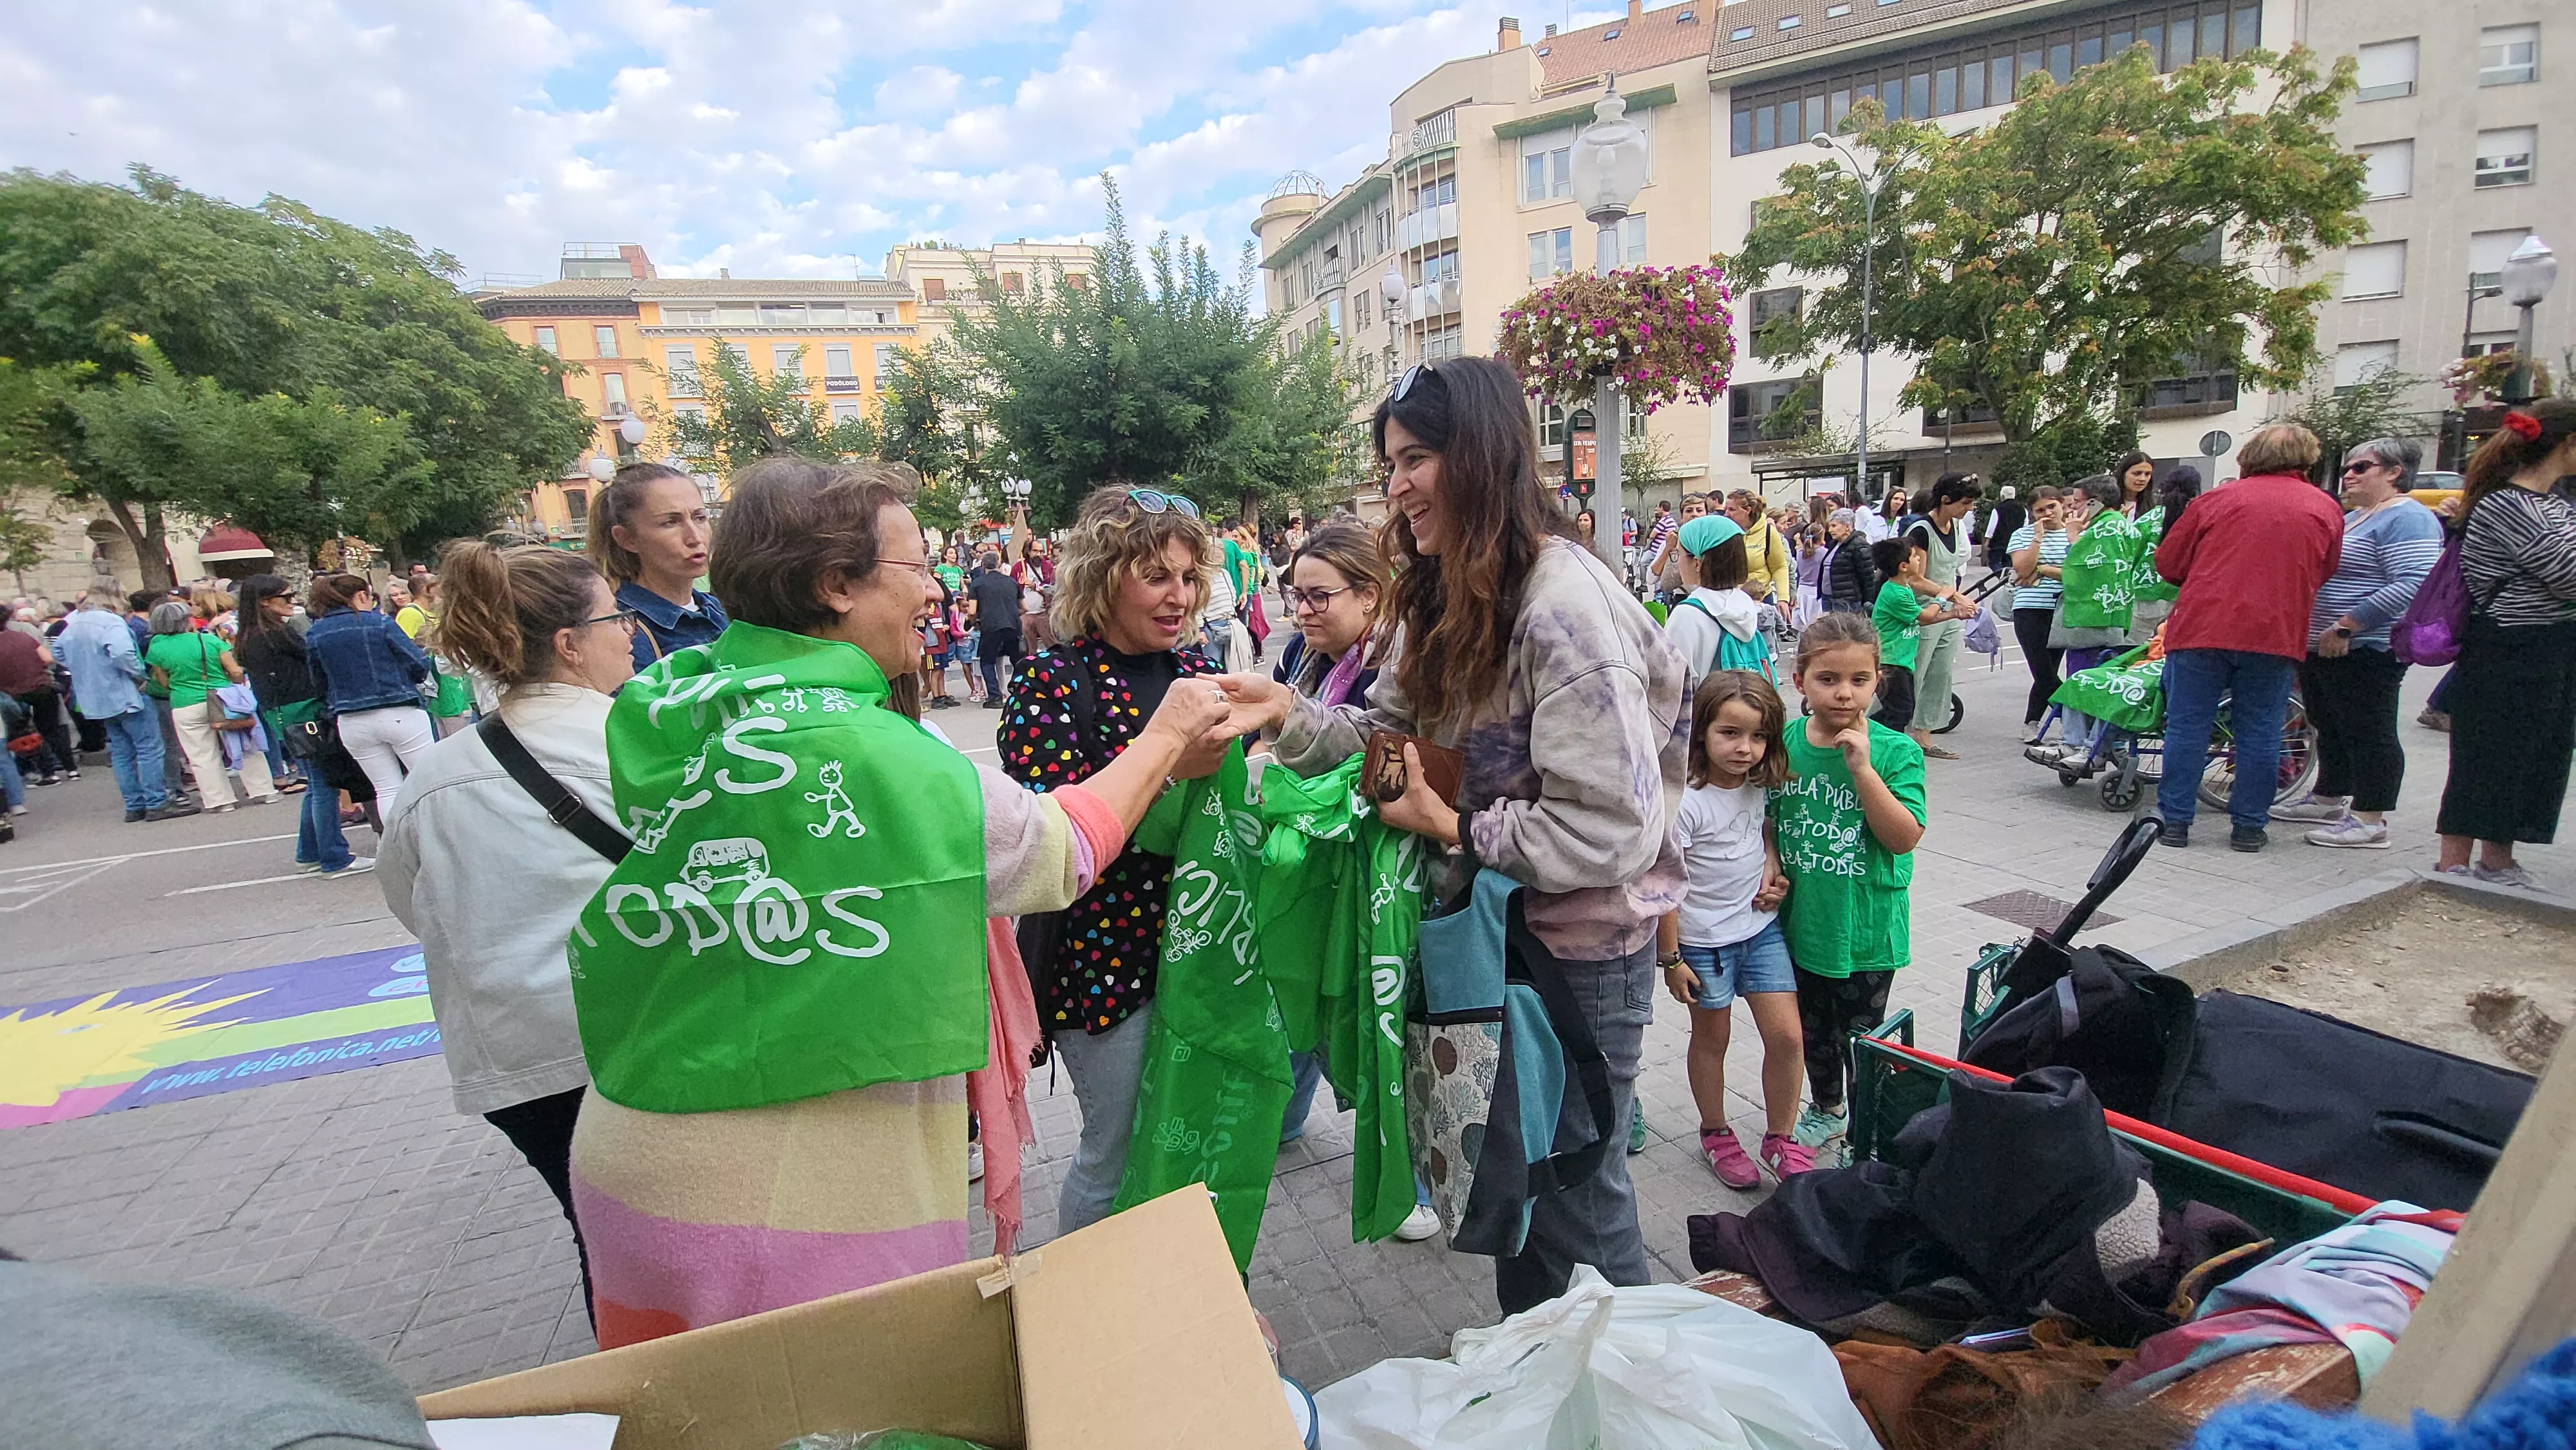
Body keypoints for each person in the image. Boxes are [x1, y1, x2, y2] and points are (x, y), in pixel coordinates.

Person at [566, 459, 1239, 1346]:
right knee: (849, 1410)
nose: (935, 593)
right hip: (781, 1179)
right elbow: (1056, 850)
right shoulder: (864, 746)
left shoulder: (675, 695)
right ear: (836, 585)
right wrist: (1169, 735)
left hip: (645, 1125)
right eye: (915, 569)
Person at [1218, 355, 1687, 1315]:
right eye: (1390, 462)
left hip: (1576, 961)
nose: (1397, 486)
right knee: (1523, 1201)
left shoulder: (1563, 606)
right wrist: (1288, 715)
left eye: (1417, 458)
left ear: (1482, 456)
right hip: (1488, 939)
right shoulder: (1446, 591)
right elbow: (1395, 747)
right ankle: (1552, 1384)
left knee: (1580, 1211)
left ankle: (1643, 1398)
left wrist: (1456, 824)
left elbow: (1613, 829)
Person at [378, 539, 639, 1319]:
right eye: (614, 616)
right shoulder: (632, 749)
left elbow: (408, 900)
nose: (628, 631)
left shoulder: (434, 773)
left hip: (515, 1061)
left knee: (603, 1239)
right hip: (634, 1043)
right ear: (569, 643)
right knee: (679, 1236)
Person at [999, 485, 1234, 1238]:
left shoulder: (1194, 668)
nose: (1180, 595)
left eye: (1190, 576)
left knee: (1189, 1136)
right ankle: (1088, 1314)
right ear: (1104, 578)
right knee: (1115, 1150)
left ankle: (1172, 1289)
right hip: (1104, 968)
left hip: (1198, 954)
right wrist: (1168, 764)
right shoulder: (1051, 682)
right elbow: (1049, 833)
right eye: (1158, 575)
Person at [1269, 521, 1442, 1244]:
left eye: (1318, 596)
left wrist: (1292, 735)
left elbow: (1396, 766)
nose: (1302, 611)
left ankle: (1419, 1184)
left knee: (1389, 1021)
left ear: (1370, 597)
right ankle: (1282, 1113)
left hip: (1393, 877)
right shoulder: (1302, 658)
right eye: (1294, 595)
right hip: (1323, 866)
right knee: (1306, 988)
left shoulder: (1406, 665)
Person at [1773, 611, 1926, 1151]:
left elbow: (1904, 836)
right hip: (1801, 924)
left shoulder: (1895, 752)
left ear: (1877, 680)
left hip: (1866, 931)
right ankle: (1827, 1107)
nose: (1844, 694)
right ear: (1799, 682)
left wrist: (1862, 771)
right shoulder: (1784, 744)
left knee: (1864, 1038)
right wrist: (1769, 860)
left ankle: (1868, 1128)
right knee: (1813, 1032)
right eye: (1828, 680)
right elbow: (1765, 818)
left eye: (1859, 681)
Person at [2153, 424, 2345, 851]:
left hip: (2204, 626)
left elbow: (2169, 563)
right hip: (2274, 631)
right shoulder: (2324, 507)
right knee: (2261, 729)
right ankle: (2249, 827)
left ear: (2249, 457)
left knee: (2189, 726)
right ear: (2307, 459)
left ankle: (2176, 822)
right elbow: (2325, 567)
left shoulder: (2215, 501)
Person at [1658, 670, 1806, 1187]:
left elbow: (1759, 826)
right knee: (1712, 1038)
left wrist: (1771, 862)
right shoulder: (1688, 800)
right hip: (1703, 943)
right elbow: (1666, 882)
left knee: (1788, 1036)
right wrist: (1671, 957)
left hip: (1759, 931)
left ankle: (1781, 1138)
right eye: (1731, 734)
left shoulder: (1757, 784)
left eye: (1759, 736)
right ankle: (1716, 1130)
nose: (1746, 749)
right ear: (1702, 732)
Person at [2271, 440, 2442, 851]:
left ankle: (2370, 817)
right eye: (2347, 467)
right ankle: (2329, 796)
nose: (2348, 474)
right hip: (2324, 645)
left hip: (2367, 646)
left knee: (2369, 728)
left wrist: (2349, 625)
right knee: (2330, 723)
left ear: (2393, 472)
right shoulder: (2359, 516)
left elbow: (2414, 582)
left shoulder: (2408, 518)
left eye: (2361, 467)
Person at [2433, 400, 2576, 889]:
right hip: (2508, 648)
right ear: (2568, 443)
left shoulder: (2555, 503)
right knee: (2488, 754)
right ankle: (2454, 863)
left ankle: (2499, 859)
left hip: (2550, 646)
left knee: (2534, 753)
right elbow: (2568, 574)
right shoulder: (2506, 504)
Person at [235, 577, 369, 877]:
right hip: (302, 710)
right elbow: (313, 657)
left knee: (317, 783)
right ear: (265, 602)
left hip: (285, 712)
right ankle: (333, 856)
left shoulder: (255, 635)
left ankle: (309, 852)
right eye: (286, 596)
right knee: (325, 784)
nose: (292, 600)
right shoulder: (274, 635)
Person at [52, 587, 191, 821]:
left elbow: (57, 651)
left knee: (121, 751)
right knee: (149, 748)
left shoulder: (73, 625)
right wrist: (138, 674)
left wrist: (86, 668)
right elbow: (122, 652)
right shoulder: (111, 622)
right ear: (114, 604)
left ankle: (134, 804)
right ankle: (157, 801)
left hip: (96, 697)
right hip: (124, 692)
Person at [303, 573, 437, 812]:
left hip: (351, 717)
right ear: (361, 595)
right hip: (398, 707)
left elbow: (317, 681)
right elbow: (417, 662)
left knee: (386, 788)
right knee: (429, 782)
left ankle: (397, 845)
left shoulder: (316, 633)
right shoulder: (380, 623)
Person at [2031, 475, 2139, 766]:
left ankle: (2078, 744)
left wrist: (2073, 536)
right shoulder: (2121, 526)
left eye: (2077, 502)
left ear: (2094, 502)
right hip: (2109, 613)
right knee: (2089, 680)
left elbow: (2080, 568)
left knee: (2083, 681)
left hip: (2093, 617)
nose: (2071, 508)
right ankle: (2080, 743)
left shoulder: (2105, 528)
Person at [143, 599, 279, 814]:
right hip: (221, 697)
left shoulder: (157, 647)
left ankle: (219, 800)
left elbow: (163, 680)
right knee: (245, 743)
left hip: (184, 702)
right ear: (186, 620)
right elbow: (235, 671)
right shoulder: (208, 641)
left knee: (201, 754)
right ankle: (264, 790)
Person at [590, 462, 727, 670]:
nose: (695, 537)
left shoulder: (720, 610)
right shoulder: (622, 630)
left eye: (700, 518)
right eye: (670, 523)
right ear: (627, 539)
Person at [1902, 474, 1980, 758]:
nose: (1968, 509)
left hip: (1947, 607)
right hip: (1925, 608)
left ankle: (1924, 736)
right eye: (1965, 503)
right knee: (1915, 671)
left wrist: (1955, 598)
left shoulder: (1956, 527)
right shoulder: (1922, 530)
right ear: (1945, 500)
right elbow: (1915, 577)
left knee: (1941, 672)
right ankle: (1893, 731)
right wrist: (1951, 595)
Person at [1870, 538, 1975, 732]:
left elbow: (1920, 619)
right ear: (1903, 566)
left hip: (1901, 660)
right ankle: (1875, 737)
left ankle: (1867, 730)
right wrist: (1942, 597)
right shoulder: (1895, 593)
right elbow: (1926, 616)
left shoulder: (1904, 587)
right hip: (1890, 661)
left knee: (1901, 709)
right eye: (1914, 557)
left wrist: (1953, 614)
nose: (1919, 559)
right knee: (1900, 712)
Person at [1664, 514, 1773, 692]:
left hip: (1704, 716)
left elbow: (1672, 686)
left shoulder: (1687, 615)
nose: (1678, 563)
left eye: (1679, 554)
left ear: (1698, 563)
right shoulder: (1744, 602)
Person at [2006, 486, 2071, 740]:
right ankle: (2076, 716)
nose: (2047, 514)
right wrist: (2037, 538)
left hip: (2063, 608)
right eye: (2039, 511)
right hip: (2030, 609)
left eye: (2051, 507)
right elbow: (2022, 569)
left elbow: (2076, 574)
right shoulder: (2023, 535)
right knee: (2042, 670)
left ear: (2062, 505)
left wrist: (2044, 569)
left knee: (2049, 671)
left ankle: (2032, 721)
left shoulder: (2074, 534)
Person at [0, 623, 75, 786]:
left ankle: (47, 773)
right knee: (52, 730)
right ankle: (71, 769)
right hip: (42, 686)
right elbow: (48, 658)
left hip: (13, 693)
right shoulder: (23, 637)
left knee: (25, 733)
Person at [1723, 490, 1797, 622]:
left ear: (1748, 510)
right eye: (1726, 509)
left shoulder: (1768, 532)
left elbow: (1780, 567)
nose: (1726, 514)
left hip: (1760, 599)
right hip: (1731, 599)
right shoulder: (1724, 531)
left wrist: (1783, 599)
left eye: (1732, 509)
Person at [967, 549, 1023, 699]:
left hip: (990, 626)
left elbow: (972, 611)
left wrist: (974, 622)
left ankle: (995, 696)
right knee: (1016, 660)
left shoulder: (978, 584)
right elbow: (1025, 607)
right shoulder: (1011, 581)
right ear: (998, 563)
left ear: (983, 565)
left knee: (987, 662)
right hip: (1013, 625)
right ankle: (1019, 689)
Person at [1815, 509, 1878, 615]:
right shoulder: (1834, 544)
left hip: (1847, 602)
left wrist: (1867, 603)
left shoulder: (1859, 546)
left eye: (1834, 526)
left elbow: (1868, 579)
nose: (1830, 530)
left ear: (1847, 527)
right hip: (1829, 599)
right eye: (1830, 526)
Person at [1986, 485, 2027, 574]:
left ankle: (2003, 577)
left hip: (1999, 541)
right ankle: (2007, 578)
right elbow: (2025, 526)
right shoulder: (2023, 509)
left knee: (1993, 563)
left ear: (2003, 496)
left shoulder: (1998, 509)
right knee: (2008, 563)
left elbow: (1992, 526)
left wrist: (1988, 541)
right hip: (2015, 541)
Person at [2112, 449, 2155, 517]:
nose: (2142, 479)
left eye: (2147, 474)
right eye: (2137, 473)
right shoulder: (2107, 503)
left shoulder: (2154, 506)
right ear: (2123, 474)